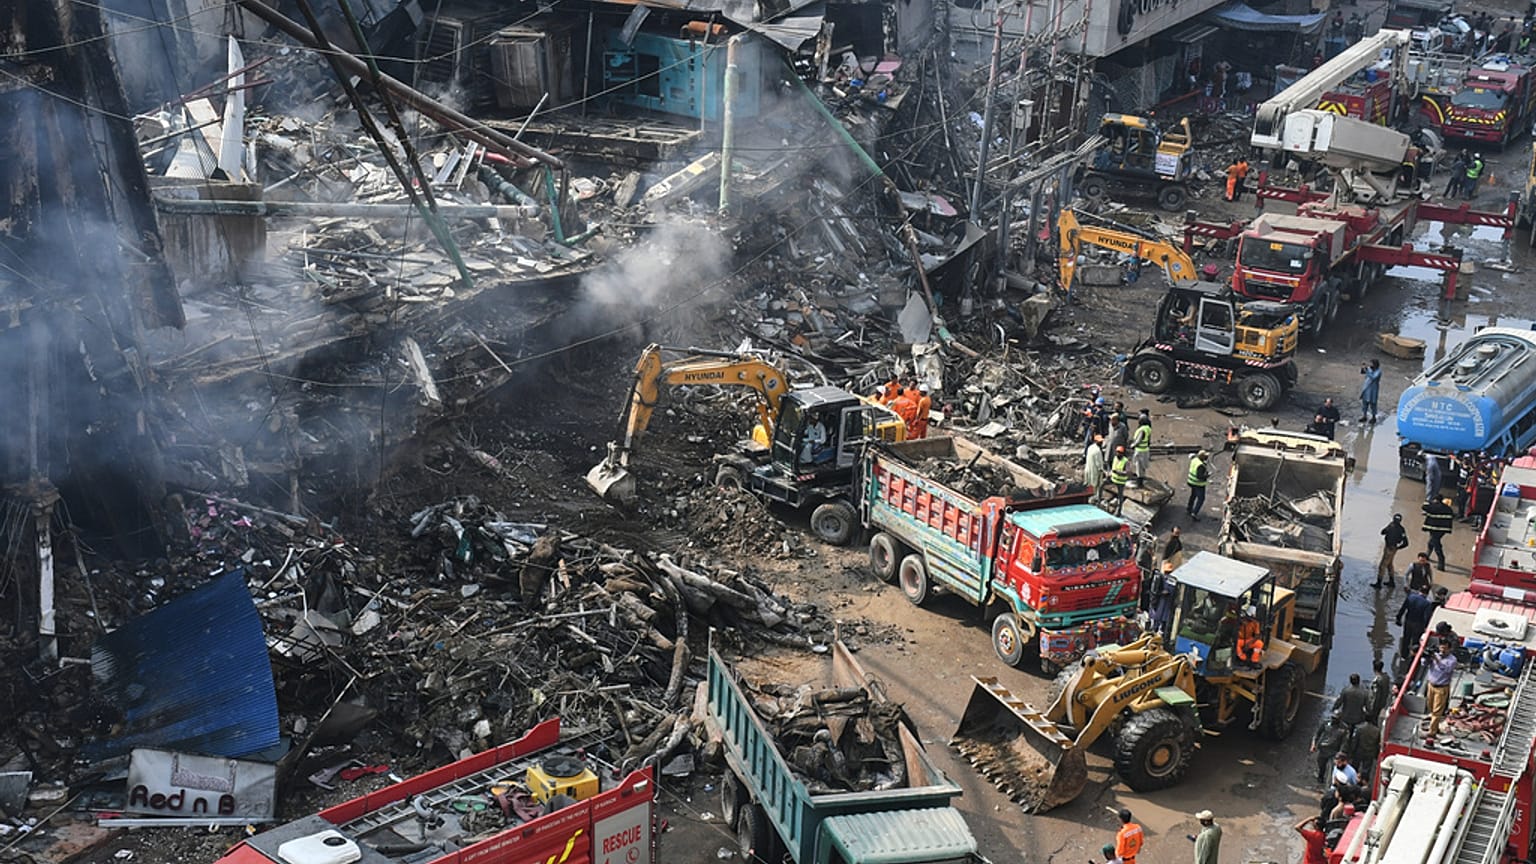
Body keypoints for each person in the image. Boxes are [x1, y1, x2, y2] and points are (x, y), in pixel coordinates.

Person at [1425, 638, 1457, 739]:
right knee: (1430, 707)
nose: (1442, 651)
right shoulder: (1435, 655)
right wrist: (1427, 657)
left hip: (1441, 688)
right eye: (1441, 648)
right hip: (1431, 686)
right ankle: (1435, 726)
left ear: (1449, 649)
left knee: (1436, 711)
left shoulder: (1452, 660)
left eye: (1445, 649)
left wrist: (1437, 660)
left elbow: (1447, 669)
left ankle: (1432, 732)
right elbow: (1424, 664)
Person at [1397, 585, 1434, 656]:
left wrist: (1398, 618)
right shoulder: (1427, 603)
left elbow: (1403, 608)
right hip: (1419, 624)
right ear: (1427, 593)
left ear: (1419, 590)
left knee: (1406, 639)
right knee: (1416, 641)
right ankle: (1413, 656)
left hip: (1408, 621)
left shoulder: (1410, 597)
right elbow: (1427, 616)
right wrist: (1426, 627)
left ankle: (1404, 655)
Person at [1375, 514, 1409, 588]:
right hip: (1393, 548)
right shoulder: (1401, 529)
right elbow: (1406, 543)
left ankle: (1378, 583)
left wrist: (1397, 547)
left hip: (1389, 548)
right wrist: (1397, 547)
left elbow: (1382, 532)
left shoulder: (1391, 526)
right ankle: (1391, 582)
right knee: (1389, 564)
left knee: (1382, 565)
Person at [1311, 716, 1347, 785]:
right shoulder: (1326, 723)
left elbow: (1344, 742)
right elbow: (1317, 734)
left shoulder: (1343, 728)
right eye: (1333, 718)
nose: (1333, 720)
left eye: (1335, 719)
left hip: (1334, 752)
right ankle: (1320, 776)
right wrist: (1314, 744)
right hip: (1323, 750)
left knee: (1332, 770)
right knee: (1321, 765)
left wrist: (1340, 752)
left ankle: (1330, 784)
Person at [1423, 496, 1455, 570]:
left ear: (1436, 500)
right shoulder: (1448, 508)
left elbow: (1424, 507)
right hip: (1443, 530)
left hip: (1434, 529)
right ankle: (1427, 555)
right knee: (1431, 541)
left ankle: (1441, 562)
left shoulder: (1433, 507)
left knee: (1436, 545)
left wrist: (1428, 501)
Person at [1351, 718, 1381, 783]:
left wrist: (1352, 751)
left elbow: (1355, 741)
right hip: (1370, 752)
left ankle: (1353, 779)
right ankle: (1363, 781)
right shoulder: (1377, 731)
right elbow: (1377, 744)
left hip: (1359, 751)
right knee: (1366, 769)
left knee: (1355, 766)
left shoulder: (1360, 728)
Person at [1186, 450, 1211, 521]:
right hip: (1198, 484)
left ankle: (1189, 508)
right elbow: (1200, 476)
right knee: (1201, 499)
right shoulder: (1201, 466)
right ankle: (1194, 513)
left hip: (1191, 482)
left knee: (1193, 495)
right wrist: (1207, 475)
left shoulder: (1195, 460)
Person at [1131, 411, 1152, 487]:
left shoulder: (1142, 430)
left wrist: (1132, 445)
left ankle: (1139, 483)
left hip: (1139, 451)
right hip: (1145, 449)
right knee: (1143, 466)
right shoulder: (1148, 428)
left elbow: (1138, 441)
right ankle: (1142, 478)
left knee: (1138, 467)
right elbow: (1149, 439)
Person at [1107, 446, 1130, 515]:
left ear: (1123, 453)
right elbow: (1113, 468)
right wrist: (1109, 474)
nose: (1118, 454)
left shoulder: (1126, 461)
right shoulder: (1115, 458)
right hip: (1113, 479)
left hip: (1120, 482)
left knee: (1120, 497)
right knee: (1102, 486)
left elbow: (1127, 472)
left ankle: (1118, 511)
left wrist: (1118, 472)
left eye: (1120, 452)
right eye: (1117, 452)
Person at [1361, 359, 1382, 424]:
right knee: (1364, 403)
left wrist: (1367, 371)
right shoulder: (1369, 368)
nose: (1370, 365)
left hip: (1373, 389)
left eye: (1372, 364)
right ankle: (1364, 416)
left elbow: (1373, 377)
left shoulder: (1378, 371)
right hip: (1366, 388)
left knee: (1373, 404)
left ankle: (1373, 417)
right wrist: (1363, 368)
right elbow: (1362, 372)